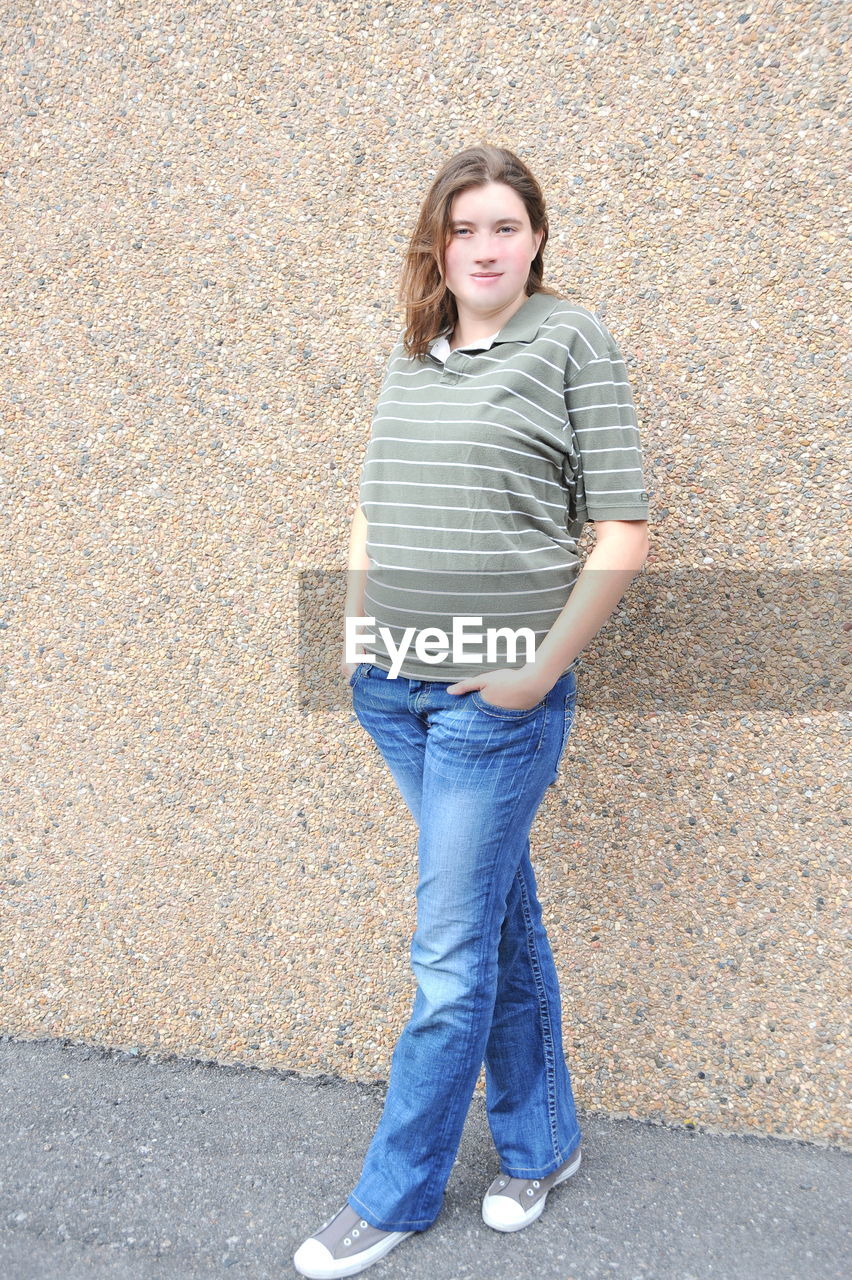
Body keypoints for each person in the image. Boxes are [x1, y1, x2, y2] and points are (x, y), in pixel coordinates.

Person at [294, 143, 650, 1279]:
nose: (483, 248)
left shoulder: (571, 341)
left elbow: (623, 528)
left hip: (496, 702)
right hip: (395, 692)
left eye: (504, 226)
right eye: (463, 229)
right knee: (493, 921)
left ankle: (391, 1194)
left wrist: (537, 671)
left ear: (537, 234)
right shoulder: (419, 349)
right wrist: (356, 630)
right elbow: (374, 499)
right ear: (436, 245)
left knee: (449, 959)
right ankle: (541, 1143)